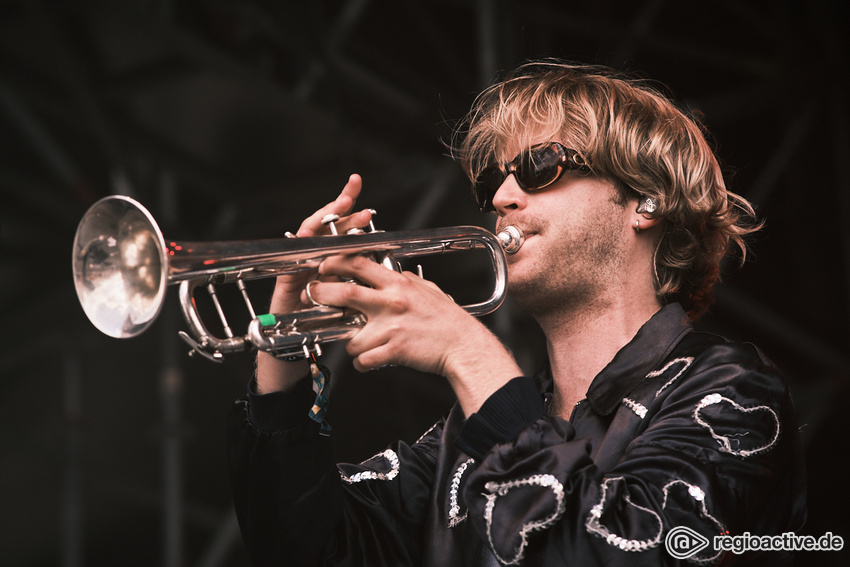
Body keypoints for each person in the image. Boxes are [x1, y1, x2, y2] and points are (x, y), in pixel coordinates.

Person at [226, 61, 806, 566]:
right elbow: (307, 550)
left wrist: (468, 352)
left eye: (540, 166)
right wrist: (282, 356)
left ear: (645, 200)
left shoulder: (733, 391)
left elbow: (613, 553)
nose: (501, 198)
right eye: (491, 182)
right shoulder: (467, 435)